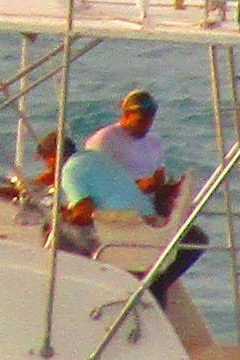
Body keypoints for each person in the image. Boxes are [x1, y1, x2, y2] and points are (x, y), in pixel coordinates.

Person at [87, 89, 203, 296]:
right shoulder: (105, 140)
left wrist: (170, 190)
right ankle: (152, 287)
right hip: (121, 212)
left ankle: (156, 283)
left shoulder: (153, 141)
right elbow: (96, 180)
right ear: (126, 114)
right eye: (141, 121)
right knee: (159, 253)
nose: (146, 126)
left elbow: (159, 175)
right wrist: (139, 186)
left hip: (149, 209)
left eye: (149, 121)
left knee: (195, 239)